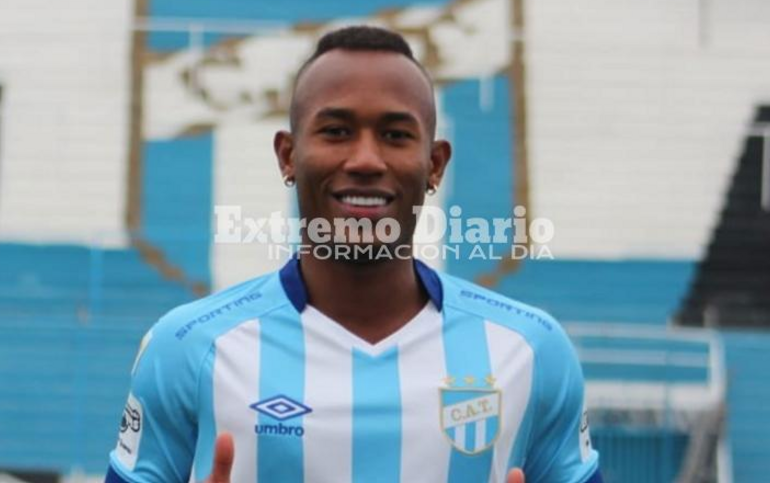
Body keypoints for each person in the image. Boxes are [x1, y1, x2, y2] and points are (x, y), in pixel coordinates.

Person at [105, 26, 602, 483]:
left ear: (435, 164)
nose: (365, 160)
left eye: (395, 135)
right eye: (337, 131)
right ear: (288, 156)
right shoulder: (190, 348)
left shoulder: (531, 351)